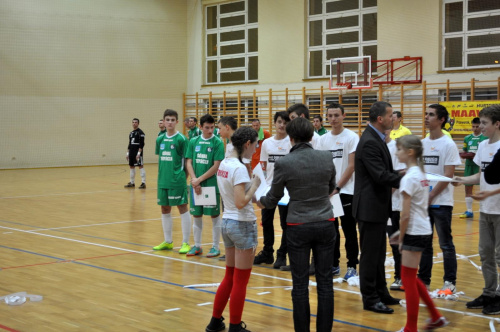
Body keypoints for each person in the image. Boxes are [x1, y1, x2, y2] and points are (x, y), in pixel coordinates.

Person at [257, 117, 336, 332]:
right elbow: (332, 187)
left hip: (298, 225)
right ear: (312, 137)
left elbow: (273, 198)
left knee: (300, 285)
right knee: (325, 284)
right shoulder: (326, 158)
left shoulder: (284, 162)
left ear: (291, 138)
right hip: (326, 222)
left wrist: (258, 201)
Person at [205, 127, 261, 332]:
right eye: (255, 145)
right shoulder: (238, 168)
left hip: (227, 223)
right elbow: (240, 202)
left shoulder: (226, 164)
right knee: (240, 280)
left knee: (229, 276)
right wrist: (255, 185)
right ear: (247, 144)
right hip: (242, 224)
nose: (255, 149)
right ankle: (235, 326)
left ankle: (214, 321)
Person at [394, 135, 449, 332]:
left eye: (399, 149)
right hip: (423, 229)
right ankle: (436, 317)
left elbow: (405, 214)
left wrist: (401, 237)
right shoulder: (420, 174)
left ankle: (411, 328)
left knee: (407, 279)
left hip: (414, 231)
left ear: (409, 152)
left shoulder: (409, 178)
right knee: (411, 276)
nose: (396, 152)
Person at [353, 101, 402, 314]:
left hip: (377, 207)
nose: (394, 118)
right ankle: (370, 298)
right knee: (371, 256)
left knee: (379, 254)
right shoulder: (370, 141)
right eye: (391, 115)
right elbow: (380, 175)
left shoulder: (377, 138)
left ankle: (381, 292)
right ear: (380, 119)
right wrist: (406, 178)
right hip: (369, 208)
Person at [455, 105, 500, 315]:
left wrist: (490, 193)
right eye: (479, 123)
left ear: (497, 124)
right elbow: (481, 176)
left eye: (484, 123)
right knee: (485, 254)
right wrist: (461, 179)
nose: (480, 127)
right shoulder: (482, 146)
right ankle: (489, 293)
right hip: (486, 210)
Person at [419, 104, 461, 293]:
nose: (427, 117)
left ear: (441, 119)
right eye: (426, 114)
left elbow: (448, 175)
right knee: (425, 244)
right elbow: (420, 173)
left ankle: (449, 282)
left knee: (445, 244)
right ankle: (424, 281)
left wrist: (432, 195)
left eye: (431, 115)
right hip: (424, 202)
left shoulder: (448, 144)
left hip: (441, 203)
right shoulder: (422, 143)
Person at [317, 102, 359, 280]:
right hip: (329, 193)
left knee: (349, 230)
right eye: (330, 115)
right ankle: (334, 264)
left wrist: (337, 187)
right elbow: (320, 165)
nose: (333, 119)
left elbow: (352, 165)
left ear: (344, 115)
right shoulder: (322, 140)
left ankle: (352, 266)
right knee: (330, 230)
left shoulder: (351, 137)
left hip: (346, 191)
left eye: (336, 115)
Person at [253, 111, 290, 269]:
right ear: (275, 123)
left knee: (285, 223)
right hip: (269, 189)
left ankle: (282, 254)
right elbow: (263, 167)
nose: (282, 125)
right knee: (266, 221)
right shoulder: (267, 143)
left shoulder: (291, 142)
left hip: (287, 190)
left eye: (285, 122)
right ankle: (267, 252)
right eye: (279, 122)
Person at [185, 114, 225, 257]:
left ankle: (215, 246)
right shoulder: (194, 141)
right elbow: (188, 162)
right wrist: (194, 180)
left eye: (212, 127)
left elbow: (217, 165)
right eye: (207, 127)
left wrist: (199, 180)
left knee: (214, 215)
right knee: (196, 215)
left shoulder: (218, 142)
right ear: (200, 127)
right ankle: (197, 246)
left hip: (210, 185)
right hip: (196, 184)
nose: (210, 130)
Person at [153, 109, 192, 255]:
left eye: (172, 120)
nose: (169, 122)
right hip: (163, 181)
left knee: (182, 208)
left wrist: (184, 178)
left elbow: (188, 160)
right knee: (164, 209)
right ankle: (168, 241)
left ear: (176, 122)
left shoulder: (181, 139)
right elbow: (162, 159)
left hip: (177, 181)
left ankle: (185, 243)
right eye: (167, 120)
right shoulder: (160, 139)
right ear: (163, 121)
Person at [385, 129, 406, 291]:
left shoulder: (395, 148)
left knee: (396, 242)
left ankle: (400, 277)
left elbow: (398, 176)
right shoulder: (373, 147)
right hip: (380, 206)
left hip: (393, 206)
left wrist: (383, 196)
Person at [459, 117, 487, 219]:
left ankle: (483, 209)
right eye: (473, 126)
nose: (475, 128)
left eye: (477, 126)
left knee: (483, 186)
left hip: (480, 165)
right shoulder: (467, 138)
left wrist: (475, 155)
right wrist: (465, 155)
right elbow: (465, 150)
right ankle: (469, 211)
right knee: (468, 187)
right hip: (469, 164)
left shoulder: (484, 138)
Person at [124, 118, 146, 189]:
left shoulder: (141, 133)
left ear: (138, 123)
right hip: (131, 152)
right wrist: (127, 154)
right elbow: (129, 144)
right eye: (133, 122)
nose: (134, 123)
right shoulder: (131, 133)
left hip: (137, 153)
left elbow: (142, 144)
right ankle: (132, 182)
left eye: (135, 122)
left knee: (140, 166)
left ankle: (143, 183)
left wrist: (139, 153)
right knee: (131, 166)